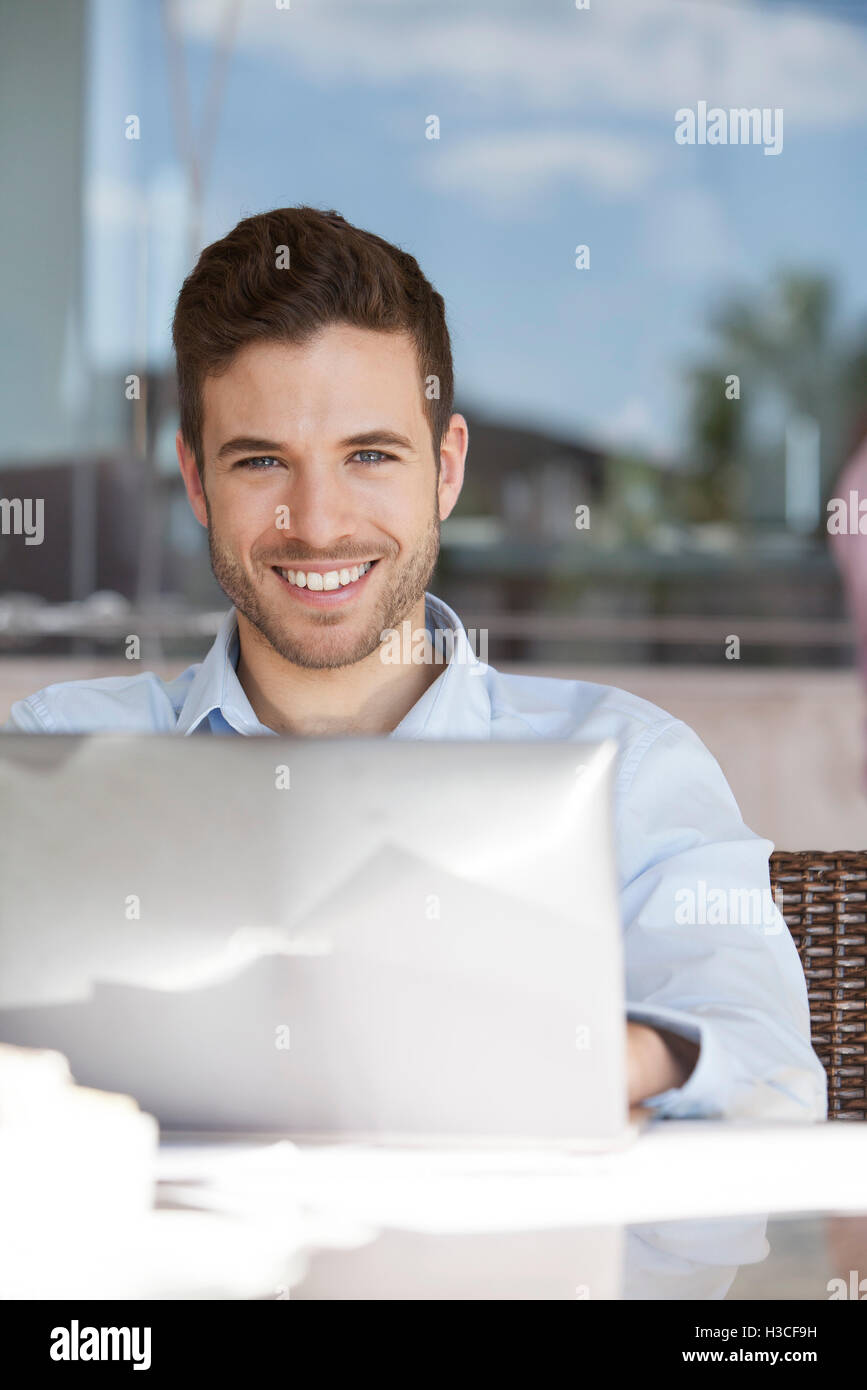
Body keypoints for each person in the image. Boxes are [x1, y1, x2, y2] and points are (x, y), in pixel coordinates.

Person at [3, 206, 827, 1123]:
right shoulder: (55, 758)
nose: (316, 522)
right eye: (262, 462)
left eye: (369, 454)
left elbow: (769, 1066)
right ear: (195, 481)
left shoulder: (623, 766)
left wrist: (601, 1060)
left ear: (445, 468)